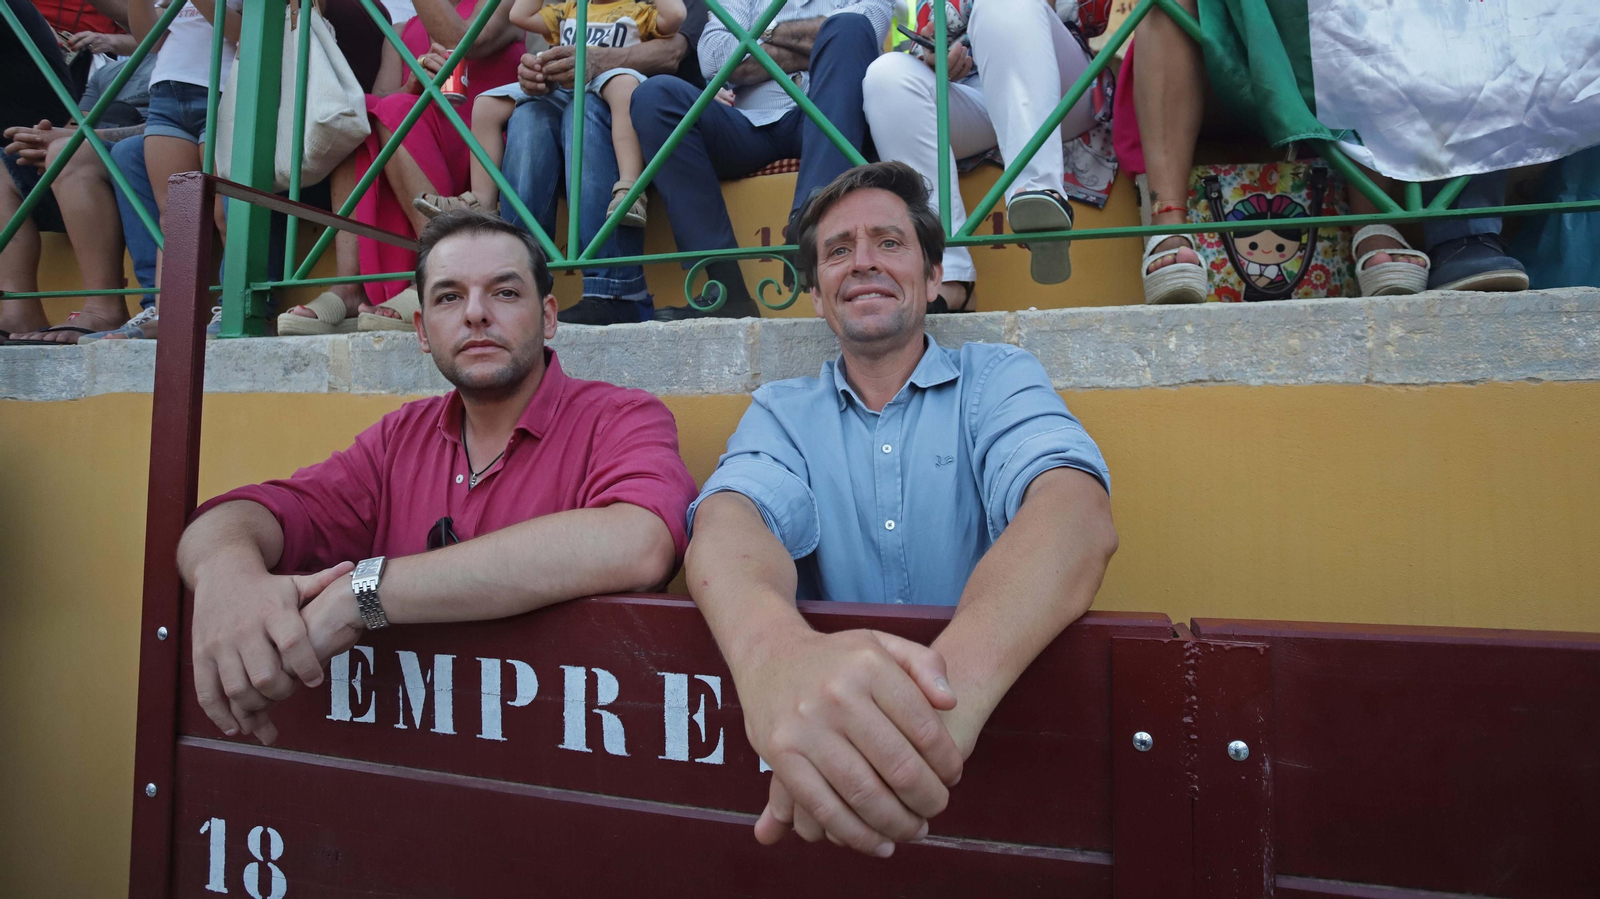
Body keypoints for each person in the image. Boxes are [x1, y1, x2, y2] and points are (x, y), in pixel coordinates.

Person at [683, 162, 1116, 856]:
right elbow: (730, 521)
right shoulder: (781, 411)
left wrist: (929, 719)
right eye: (837, 250)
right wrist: (774, 661)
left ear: (934, 276)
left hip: (1000, 774)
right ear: (819, 297)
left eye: (888, 242)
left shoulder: (998, 377)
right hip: (827, 788)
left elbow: (1074, 514)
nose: (862, 263)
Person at [178, 210, 699, 745]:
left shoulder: (621, 418)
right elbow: (244, 515)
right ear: (423, 332)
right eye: (449, 297)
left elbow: (639, 543)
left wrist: (364, 596)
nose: (475, 314)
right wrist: (225, 575)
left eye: (504, 292)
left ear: (547, 317)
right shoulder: (398, 439)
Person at [1121, 0, 1522, 304]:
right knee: (1167, 4)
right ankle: (1168, 227)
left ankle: (1375, 223)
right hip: (1216, 43)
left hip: (1308, 38)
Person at [631, 0, 892, 320]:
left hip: (829, 117)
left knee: (849, 29)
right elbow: (714, 57)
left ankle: (812, 223)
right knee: (655, 97)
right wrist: (822, 46)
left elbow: (864, 33)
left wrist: (756, 39)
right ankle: (726, 291)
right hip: (746, 122)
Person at [276, 0, 522, 336]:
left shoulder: (503, 4)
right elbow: (385, 97)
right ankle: (350, 285)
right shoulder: (401, 30)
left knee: (393, 112)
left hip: (485, 149)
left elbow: (464, 38)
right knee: (359, 116)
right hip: (421, 143)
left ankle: (439, 276)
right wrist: (414, 86)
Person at [864, 0, 1094, 307]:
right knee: (885, 75)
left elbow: (1097, 14)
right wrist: (935, 53)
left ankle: (1039, 196)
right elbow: (930, 28)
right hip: (973, 91)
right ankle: (948, 274)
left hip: (1058, 84)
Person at [496, 0, 713, 325]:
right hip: (571, 123)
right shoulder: (571, 7)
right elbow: (523, 17)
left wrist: (593, 62)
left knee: (582, 111)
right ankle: (516, 287)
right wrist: (542, 73)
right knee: (528, 116)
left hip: (649, 127)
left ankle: (616, 291)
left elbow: (671, 53)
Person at [417, 0, 688, 232]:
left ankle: (630, 189)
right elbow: (519, 14)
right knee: (486, 104)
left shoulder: (640, 10)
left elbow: (675, 16)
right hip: (564, 87)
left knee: (625, 86)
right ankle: (481, 200)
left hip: (608, 78)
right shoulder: (568, 9)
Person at [1, 49, 156, 344]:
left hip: (146, 159)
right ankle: (18, 310)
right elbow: (76, 124)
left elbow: (176, 125)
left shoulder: (197, 50)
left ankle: (104, 307)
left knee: (67, 152)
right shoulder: (105, 74)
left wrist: (75, 139)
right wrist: (41, 139)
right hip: (97, 153)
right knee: (6, 164)